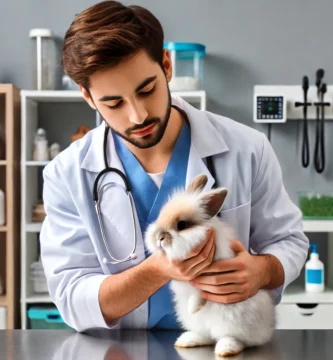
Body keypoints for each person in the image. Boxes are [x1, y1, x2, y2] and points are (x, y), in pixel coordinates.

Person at [40, 0, 309, 332]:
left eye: (147, 90)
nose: (137, 116)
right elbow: (70, 295)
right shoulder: (66, 174)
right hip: (122, 350)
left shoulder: (247, 148)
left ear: (166, 65)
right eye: (114, 103)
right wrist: (158, 270)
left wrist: (262, 270)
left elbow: (290, 241)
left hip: (223, 341)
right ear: (87, 96)